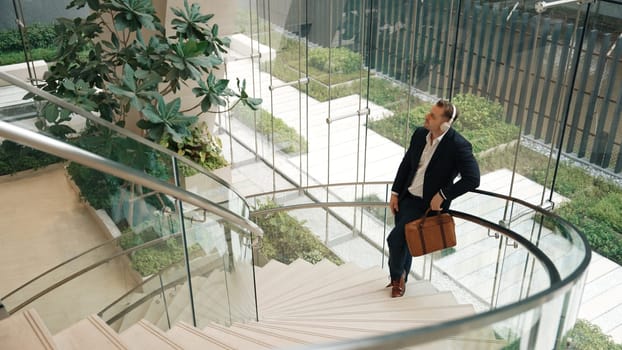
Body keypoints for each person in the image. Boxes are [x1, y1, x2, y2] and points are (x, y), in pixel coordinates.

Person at [387, 99, 480, 298]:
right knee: (406, 243)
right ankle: (402, 279)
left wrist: (443, 195)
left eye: (433, 116)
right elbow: (406, 164)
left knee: (395, 240)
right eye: (429, 113)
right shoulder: (420, 134)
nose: (427, 117)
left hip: (426, 206)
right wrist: (395, 193)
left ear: (445, 124)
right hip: (406, 199)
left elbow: (473, 179)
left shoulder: (458, 145)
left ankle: (397, 279)